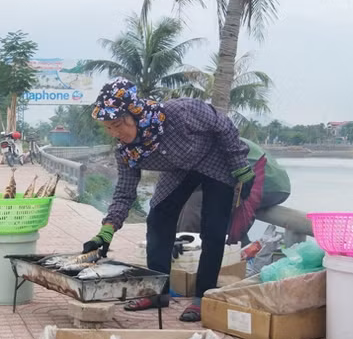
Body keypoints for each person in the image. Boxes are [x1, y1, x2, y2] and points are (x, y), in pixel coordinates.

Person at [84, 77, 256, 322]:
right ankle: (158, 291)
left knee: (214, 228)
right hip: (179, 171)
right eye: (108, 127)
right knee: (158, 217)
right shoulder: (127, 152)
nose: (115, 133)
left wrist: (240, 166)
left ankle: (203, 295)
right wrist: (107, 231)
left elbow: (223, 125)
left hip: (216, 161)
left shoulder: (180, 112)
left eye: (118, 124)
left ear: (136, 113)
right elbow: (124, 192)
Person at [176, 137, 291, 243]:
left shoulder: (203, 149)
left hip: (268, 183)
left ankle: (190, 249)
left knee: (196, 203)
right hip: (270, 180)